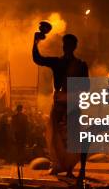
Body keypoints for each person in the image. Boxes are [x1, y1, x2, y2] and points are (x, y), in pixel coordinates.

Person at [32, 33, 88, 177]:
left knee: (74, 137)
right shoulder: (57, 62)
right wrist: (35, 42)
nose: (66, 47)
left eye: (69, 44)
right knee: (55, 136)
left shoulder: (81, 65)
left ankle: (76, 168)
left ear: (74, 47)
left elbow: (86, 86)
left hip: (73, 104)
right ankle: (59, 164)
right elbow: (38, 59)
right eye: (64, 44)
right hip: (59, 104)